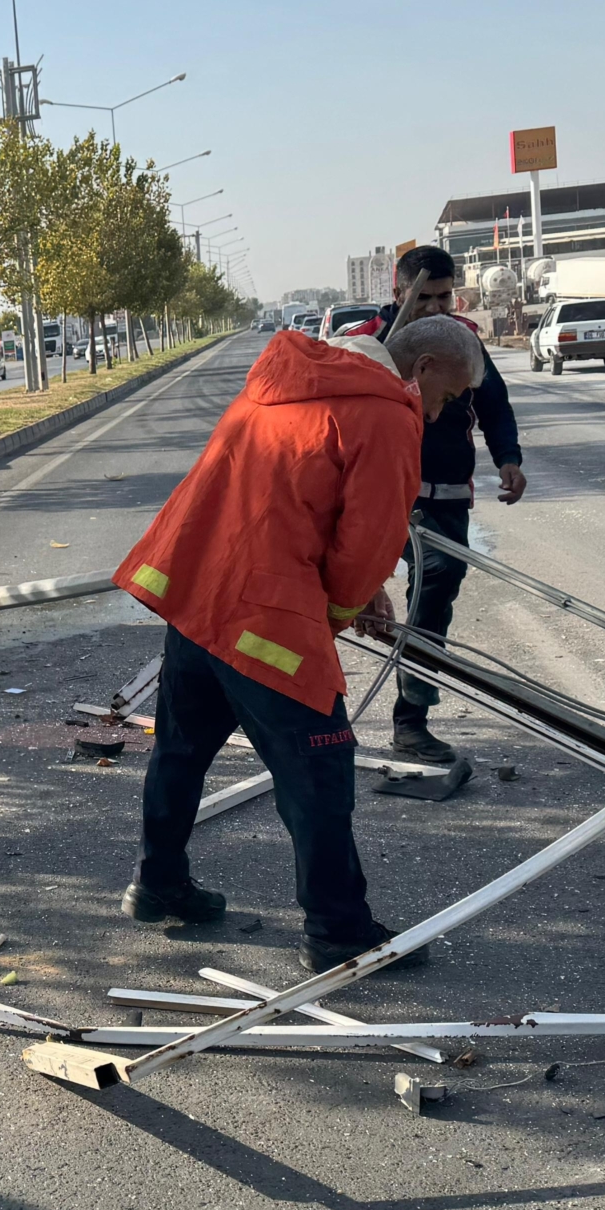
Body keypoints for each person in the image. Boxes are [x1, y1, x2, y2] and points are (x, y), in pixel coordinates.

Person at [116, 316, 485, 971]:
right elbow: (367, 543)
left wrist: (355, 593)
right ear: (422, 367)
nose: (439, 412)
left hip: (198, 596)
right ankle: (338, 930)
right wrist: (345, 607)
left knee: (180, 750)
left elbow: (282, 497)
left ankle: (158, 882)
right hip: (266, 619)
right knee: (320, 772)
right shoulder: (387, 414)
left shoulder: (282, 380)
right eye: (449, 397)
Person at [361, 245, 526, 766]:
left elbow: (494, 403)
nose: (435, 308)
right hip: (380, 496)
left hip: (445, 499)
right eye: (424, 297)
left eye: (444, 296)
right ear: (399, 293)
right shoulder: (369, 345)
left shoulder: (463, 342)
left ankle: (411, 720)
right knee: (344, 594)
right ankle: (312, 720)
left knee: (434, 589)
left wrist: (508, 458)